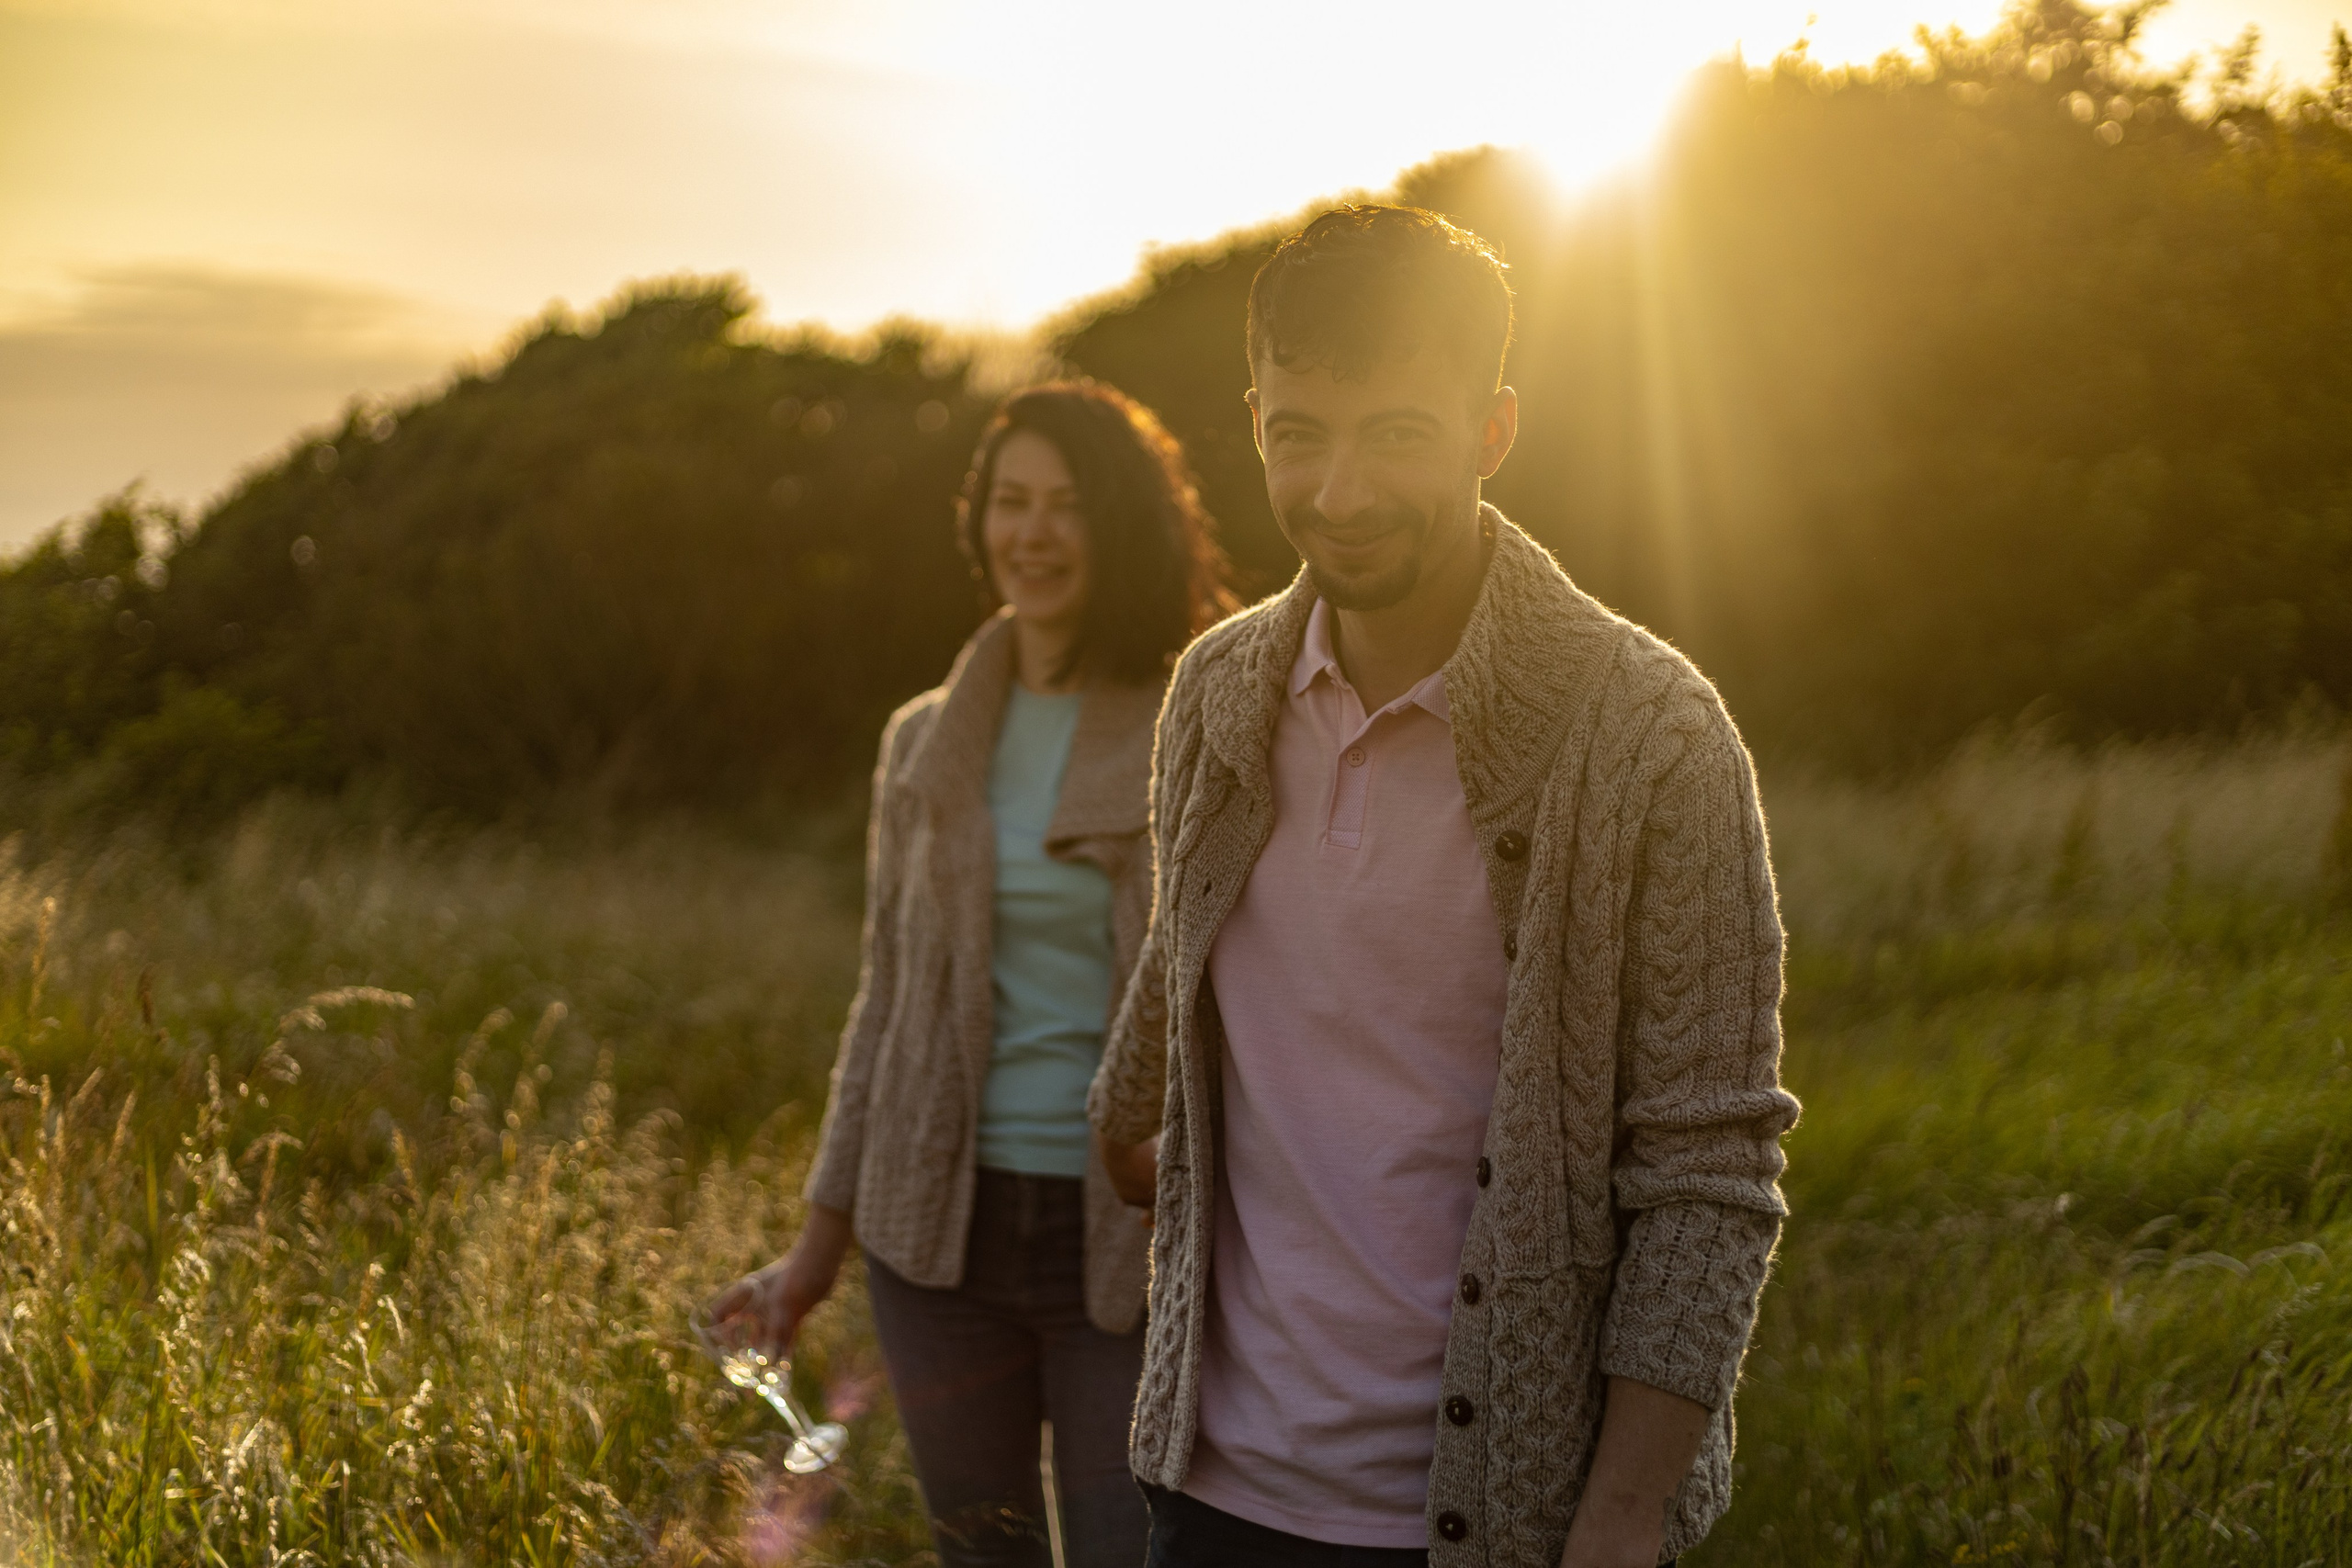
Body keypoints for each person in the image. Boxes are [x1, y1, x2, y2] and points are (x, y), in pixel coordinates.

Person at [1090, 206, 1802, 1568]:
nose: (1339, 492)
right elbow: (1181, 980)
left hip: (1500, 1515)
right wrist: (1127, 1118)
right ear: (1253, 423)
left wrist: (1622, 1519)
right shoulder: (1217, 693)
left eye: (1397, 434)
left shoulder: (1651, 734)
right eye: (1300, 433)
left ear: (1492, 430)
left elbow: (1709, 1166)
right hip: (1208, 1487)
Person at [705, 380, 1234, 1567]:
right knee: (980, 1556)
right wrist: (812, 1257)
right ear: (979, 519)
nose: (1033, 534)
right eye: (1011, 503)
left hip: (1128, 1238)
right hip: (936, 1245)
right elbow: (884, 1008)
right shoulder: (922, 742)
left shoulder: (1197, 725)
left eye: (1067, 506)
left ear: (1122, 525)